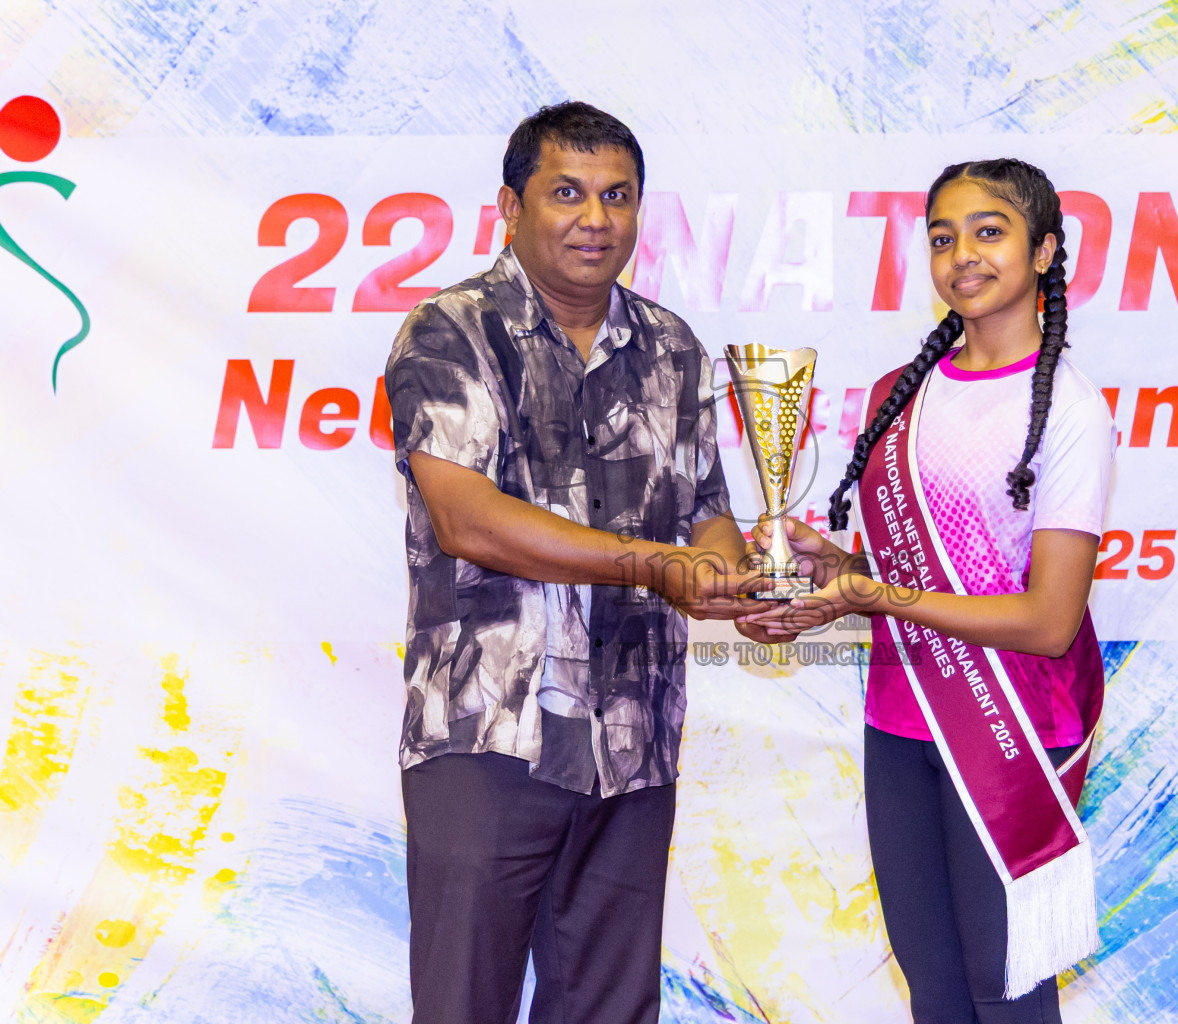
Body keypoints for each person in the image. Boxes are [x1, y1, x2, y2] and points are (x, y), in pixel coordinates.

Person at [384, 101, 772, 1024]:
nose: (595, 219)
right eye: (567, 193)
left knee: (611, 1010)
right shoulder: (450, 332)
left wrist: (731, 577)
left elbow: (706, 510)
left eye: (617, 196)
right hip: (489, 738)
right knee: (461, 1007)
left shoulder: (672, 345)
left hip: (632, 741)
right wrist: (656, 565)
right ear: (510, 209)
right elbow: (469, 521)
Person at [741, 158, 1115, 1024]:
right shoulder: (894, 400)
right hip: (899, 722)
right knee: (936, 991)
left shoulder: (1068, 411)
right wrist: (834, 571)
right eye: (943, 238)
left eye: (990, 232)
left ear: (1046, 250)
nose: (963, 256)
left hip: (1011, 729)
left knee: (1006, 989)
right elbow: (898, 574)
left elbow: (1050, 621)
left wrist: (875, 596)